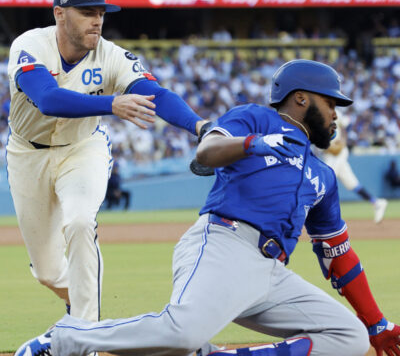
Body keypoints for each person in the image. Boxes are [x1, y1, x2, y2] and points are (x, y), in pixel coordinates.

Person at [15, 60, 400, 356]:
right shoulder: (256, 117)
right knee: (183, 333)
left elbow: (339, 255)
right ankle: (66, 339)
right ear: (301, 98)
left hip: (271, 272)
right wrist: (251, 143)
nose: (336, 113)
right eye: (331, 102)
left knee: (349, 336)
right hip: (224, 245)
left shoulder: (324, 175)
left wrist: (377, 323)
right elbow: (206, 150)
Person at [6, 0, 207, 324]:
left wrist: (199, 126)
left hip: (82, 149)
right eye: (86, 12)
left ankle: (88, 337)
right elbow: (48, 99)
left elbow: (155, 95)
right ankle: (79, 300)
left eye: (100, 13)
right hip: (28, 153)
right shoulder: (30, 45)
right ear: (59, 14)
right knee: (48, 272)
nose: (97, 20)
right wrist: (113, 103)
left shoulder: (111, 55)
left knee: (81, 222)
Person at [321, 111, 387, 224]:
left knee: (327, 181)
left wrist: (343, 140)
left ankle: (323, 215)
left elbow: (346, 125)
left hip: (337, 153)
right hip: (329, 154)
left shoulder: (334, 111)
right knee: (351, 184)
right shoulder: (317, 112)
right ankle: (377, 202)